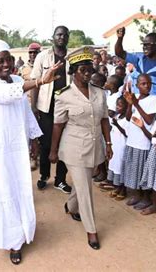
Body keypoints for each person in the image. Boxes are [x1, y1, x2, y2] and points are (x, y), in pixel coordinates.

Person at [0, 39, 62, 264]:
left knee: (23, 186)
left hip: (18, 144)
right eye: (0, 60)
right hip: (0, 147)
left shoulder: (16, 79)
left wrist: (34, 139)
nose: (6, 64)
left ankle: (26, 229)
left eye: (8, 59)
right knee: (6, 191)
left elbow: (25, 110)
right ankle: (13, 242)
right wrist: (40, 81)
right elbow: (8, 94)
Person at [49, 46, 112, 250]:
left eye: (89, 69)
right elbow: (58, 125)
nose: (87, 73)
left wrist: (108, 143)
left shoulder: (100, 93)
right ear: (73, 71)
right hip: (74, 145)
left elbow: (104, 120)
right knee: (86, 188)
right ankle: (91, 230)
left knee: (81, 182)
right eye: (82, 70)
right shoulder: (64, 95)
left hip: (95, 145)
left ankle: (71, 206)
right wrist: (53, 150)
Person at [31, 26, 72, 193]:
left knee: (65, 144)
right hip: (46, 108)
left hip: (67, 108)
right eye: (58, 34)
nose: (61, 37)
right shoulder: (42, 56)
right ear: (53, 37)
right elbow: (35, 82)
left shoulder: (72, 57)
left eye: (64, 35)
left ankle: (60, 180)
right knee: (46, 144)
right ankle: (44, 175)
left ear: (68, 38)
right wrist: (33, 107)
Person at [123, 74, 156, 206]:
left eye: (149, 83)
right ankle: (136, 194)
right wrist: (129, 104)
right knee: (133, 170)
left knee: (143, 171)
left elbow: (149, 120)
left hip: (143, 142)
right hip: (132, 140)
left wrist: (136, 104)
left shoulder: (153, 99)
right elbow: (128, 118)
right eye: (143, 84)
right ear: (137, 86)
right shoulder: (135, 97)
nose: (147, 86)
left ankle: (146, 198)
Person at [115, 27, 156, 102]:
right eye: (144, 45)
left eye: (148, 44)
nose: (144, 47)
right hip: (135, 105)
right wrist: (120, 38)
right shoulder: (139, 58)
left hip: (153, 109)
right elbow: (119, 53)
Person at [20, 42, 41, 171]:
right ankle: (32, 157)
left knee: (39, 133)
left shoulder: (43, 66)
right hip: (27, 105)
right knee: (29, 132)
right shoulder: (23, 69)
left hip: (42, 105)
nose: (32, 54)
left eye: (35, 52)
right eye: (31, 52)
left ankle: (38, 155)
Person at [105, 96, 128, 200]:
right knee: (114, 165)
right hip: (115, 144)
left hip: (122, 146)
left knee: (120, 167)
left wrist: (117, 125)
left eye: (120, 105)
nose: (118, 107)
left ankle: (123, 190)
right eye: (117, 104)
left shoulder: (127, 119)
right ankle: (117, 187)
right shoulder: (117, 116)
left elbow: (127, 133)